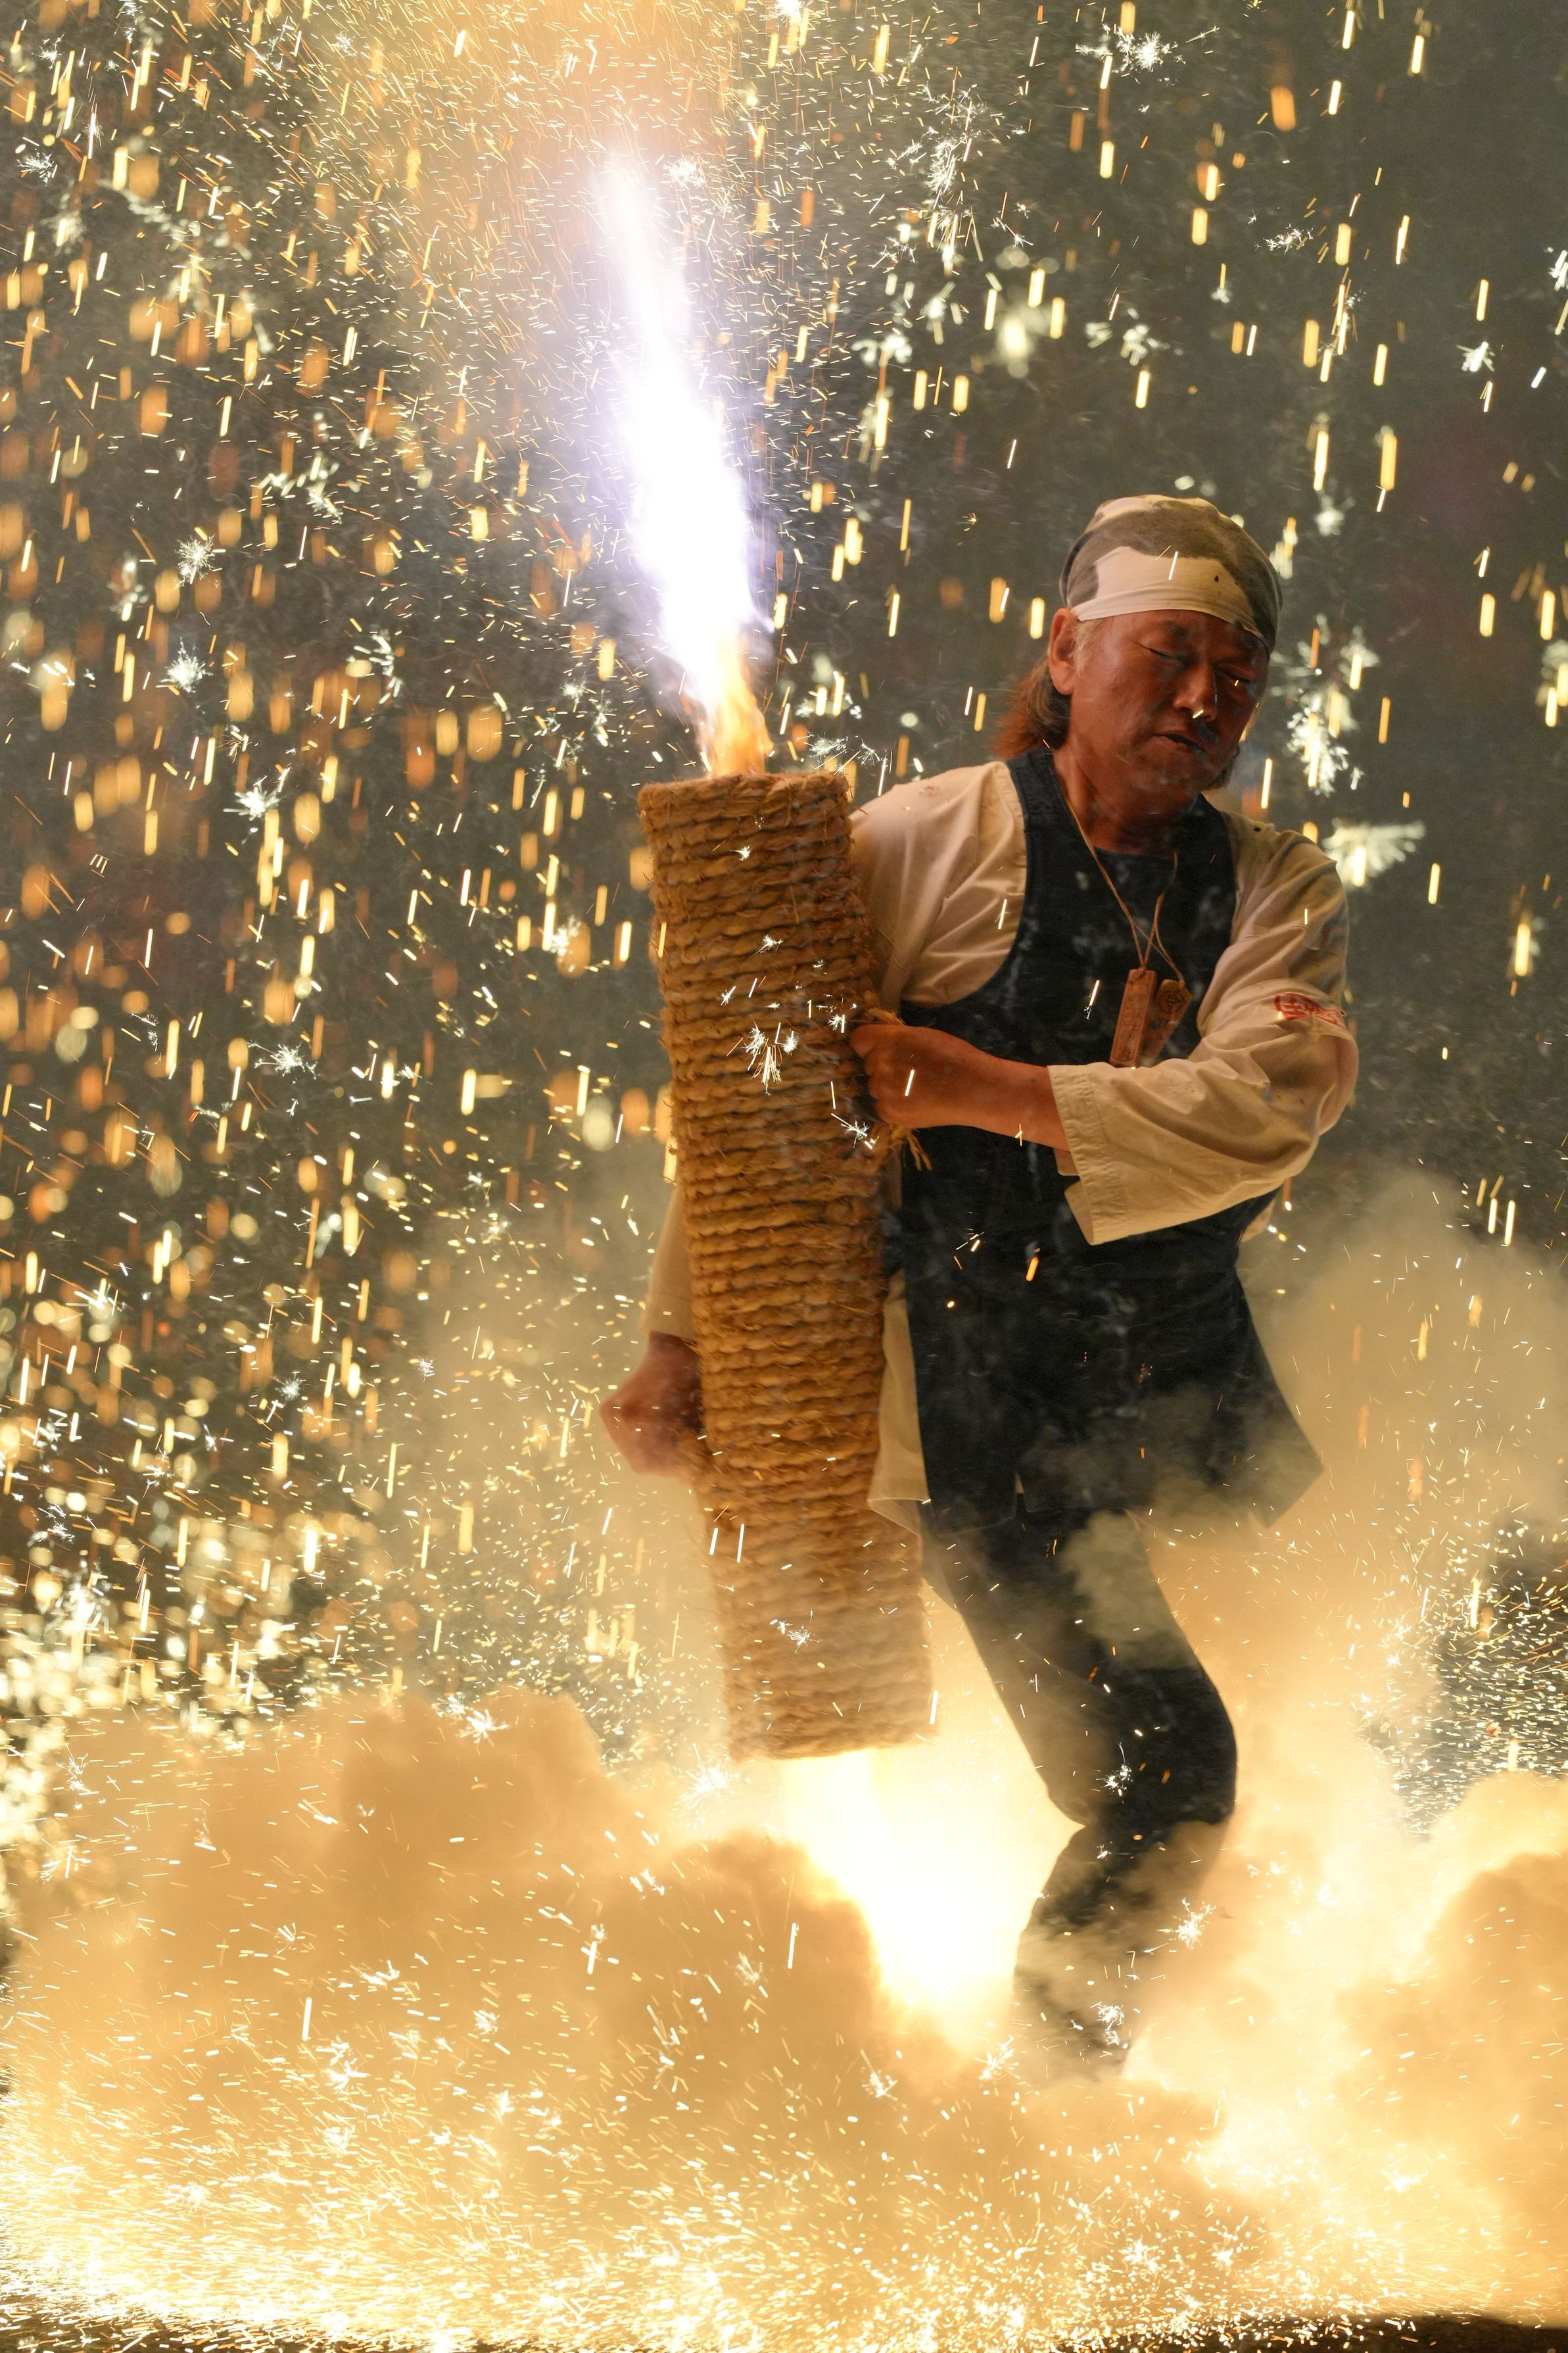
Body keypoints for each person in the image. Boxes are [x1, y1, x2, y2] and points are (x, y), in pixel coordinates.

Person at [603, 495, 1357, 2066]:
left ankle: (1083, 2088)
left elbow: (1267, 1108)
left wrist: (972, 1086)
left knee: (1269, 1731)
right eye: (1166, 657)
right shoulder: (916, 842)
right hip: (975, 1396)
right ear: (1067, 655)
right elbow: (762, 1112)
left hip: (1163, 1377)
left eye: (1232, 675)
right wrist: (682, 1340)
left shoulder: (1274, 887)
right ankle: (1043, 2112)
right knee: (1168, 1775)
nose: (1202, 699)